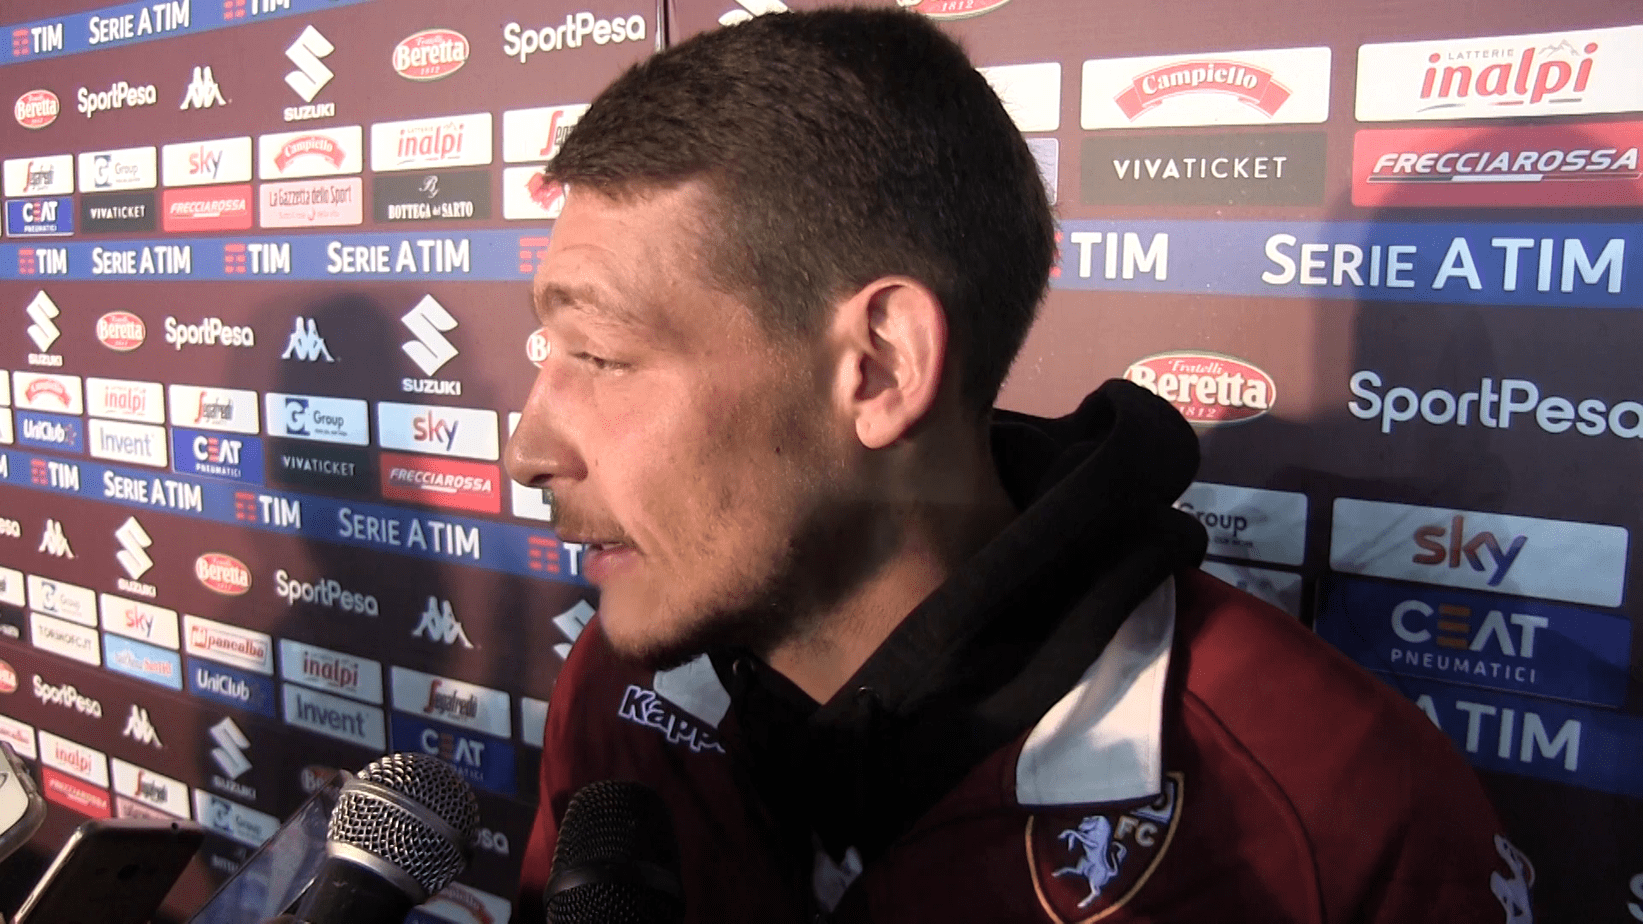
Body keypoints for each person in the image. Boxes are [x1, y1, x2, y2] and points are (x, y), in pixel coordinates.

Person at [505, 8, 1533, 922]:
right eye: (550, 353)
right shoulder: (617, 689)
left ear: (880, 366)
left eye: (599, 355)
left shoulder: (1327, 800)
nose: (528, 452)